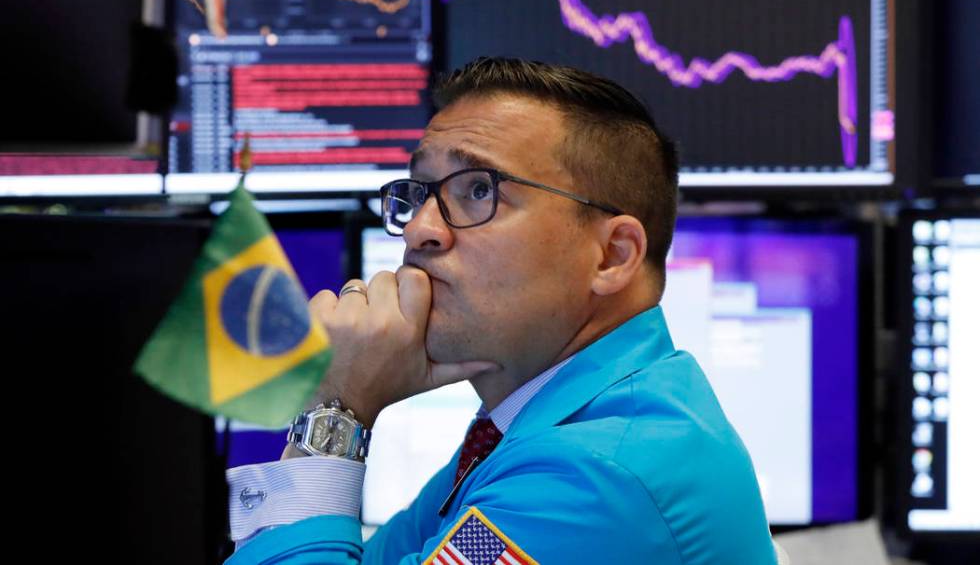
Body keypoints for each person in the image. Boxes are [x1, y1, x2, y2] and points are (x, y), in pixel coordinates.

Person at [226, 57, 776, 564]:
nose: (420, 229)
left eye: (478, 190)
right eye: (420, 192)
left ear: (612, 256)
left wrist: (336, 411)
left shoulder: (597, 477)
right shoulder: (530, 432)